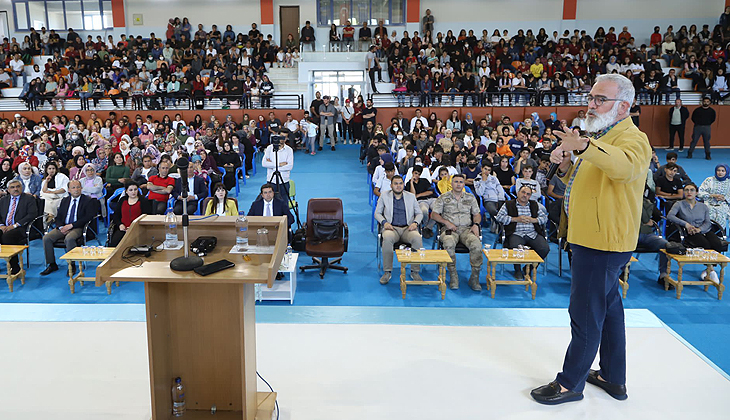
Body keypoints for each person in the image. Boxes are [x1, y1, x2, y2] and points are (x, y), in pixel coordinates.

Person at [532, 74, 651, 404]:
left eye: (600, 99)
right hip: (592, 237)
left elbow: (624, 169)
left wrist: (583, 146)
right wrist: (569, 161)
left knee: (585, 313)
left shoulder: (634, 140)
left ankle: (570, 383)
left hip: (602, 242)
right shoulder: (604, 135)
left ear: (623, 106)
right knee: (609, 309)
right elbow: (588, 178)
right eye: (591, 98)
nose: (591, 104)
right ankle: (614, 377)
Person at [430, 174, 483, 291]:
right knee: (448, 244)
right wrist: (445, 222)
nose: (458, 184)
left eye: (461, 182)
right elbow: (434, 214)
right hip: (450, 230)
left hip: (466, 229)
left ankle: (474, 278)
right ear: (451, 184)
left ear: (464, 184)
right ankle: (453, 275)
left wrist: (476, 225)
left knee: (477, 246)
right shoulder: (443, 197)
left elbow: (477, 214)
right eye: (456, 182)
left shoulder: (470, 197)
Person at [40, 180, 99, 275]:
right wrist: (60, 227)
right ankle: (52, 264)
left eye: (78, 187)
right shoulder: (65, 200)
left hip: (78, 227)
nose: (76, 190)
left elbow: (88, 217)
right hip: (63, 226)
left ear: (81, 188)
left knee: (70, 238)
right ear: (69, 190)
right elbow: (58, 217)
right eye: (73, 188)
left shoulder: (88, 200)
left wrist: (71, 226)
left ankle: (71, 264)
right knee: (47, 238)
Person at [374, 175, 423, 285]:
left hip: (407, 228)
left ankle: (415, 271)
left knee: (417, 238)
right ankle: (387, 272)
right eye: (395, 184)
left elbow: (419, 213)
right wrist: (384, 222)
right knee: (387, 238)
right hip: (391, 228)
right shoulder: (384, 196)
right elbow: (377, 213)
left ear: (403, 185)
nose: (398, 186)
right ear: (391, 185)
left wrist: (415, 223)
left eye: (400, 183)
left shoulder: (411, 196)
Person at [495, 184, 550, 278]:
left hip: (532, 233)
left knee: (544, 249)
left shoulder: (534, 205)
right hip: (516, 233)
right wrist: (516, 219)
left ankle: (529, 269)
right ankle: (517, 270)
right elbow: (499, 218)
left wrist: (534, 220)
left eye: (528, 194)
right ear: (518, 193)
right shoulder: (508, 204)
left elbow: (544, 218)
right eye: (523, 192)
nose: (525, 195)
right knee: (515, 248)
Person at [667, 183, 724, 252]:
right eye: (686, 190)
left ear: (696, 193)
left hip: (703, 230)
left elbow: (707, 222)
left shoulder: (703, 206)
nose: (689, 192)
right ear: (684, 192)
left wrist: (699, 229)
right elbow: (670, 216)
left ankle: (713, 262)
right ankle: (709, 262)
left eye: (692, 190)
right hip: (689, 231)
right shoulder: (679, 204)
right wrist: (686, 224)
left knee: (717, 244)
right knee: (705, 244)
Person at [0, 180, 38, 275]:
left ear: (22, 188)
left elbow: (32, 215)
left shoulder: (29, 199)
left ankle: (15, 266)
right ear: (8, 190)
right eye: (12, 187)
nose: (15, 189)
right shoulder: (3, 200)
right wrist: (1, 226)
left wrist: (14, 226)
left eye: (18, 187)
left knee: (7, 237)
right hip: (5, 226)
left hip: (22, 227)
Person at [109, 180, 152, 247]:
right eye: (131, 190)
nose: (133, 192)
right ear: (126, 191)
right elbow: (116, 215)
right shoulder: (122, 200)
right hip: (123, 228)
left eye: (135, 189)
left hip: (138, 230)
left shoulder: (143, 201)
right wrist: (120, 225)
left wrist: (134, 227)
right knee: (114, 245)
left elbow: (147, 217)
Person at [262, 132, 294, 198]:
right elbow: (264, 163)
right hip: (271, 179)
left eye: (284, 137)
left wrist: (273, 167)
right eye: (281, 136)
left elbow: (289, 166)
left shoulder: (289, 150)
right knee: (270, 202)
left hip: (284, 180)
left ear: (287, 138)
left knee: (284, 203)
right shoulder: (269, 148)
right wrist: (279, 164)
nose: (282, 139)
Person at [407, 165, 436, 238]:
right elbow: (413, 196)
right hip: (421, 201)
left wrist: (419, 194)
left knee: (437, 210)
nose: (417, 175)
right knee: (424, 211)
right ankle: (426, 226)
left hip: (431, 199)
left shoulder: (425, 180)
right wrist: (411, 183)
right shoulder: (408, 184)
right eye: (415, 173)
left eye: (419, 174)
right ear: (412, 172)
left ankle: (428, 227)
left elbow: (430, 192)